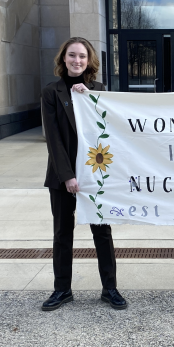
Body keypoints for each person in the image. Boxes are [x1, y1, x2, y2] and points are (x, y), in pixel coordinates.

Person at [41, 37, 127, 311]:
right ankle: (62, 289)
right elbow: (53, 139)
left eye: (82, 56)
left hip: (93, 175)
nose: (77, 61)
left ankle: (110, 288)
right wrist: (68, 176)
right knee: (62, 233)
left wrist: (88, 98)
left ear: (89, 61)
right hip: (61, 175)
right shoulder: (51, 92)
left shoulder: (97, 90)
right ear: (63, 59)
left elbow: (110, 130)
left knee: (102, 232)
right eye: (72, 55)